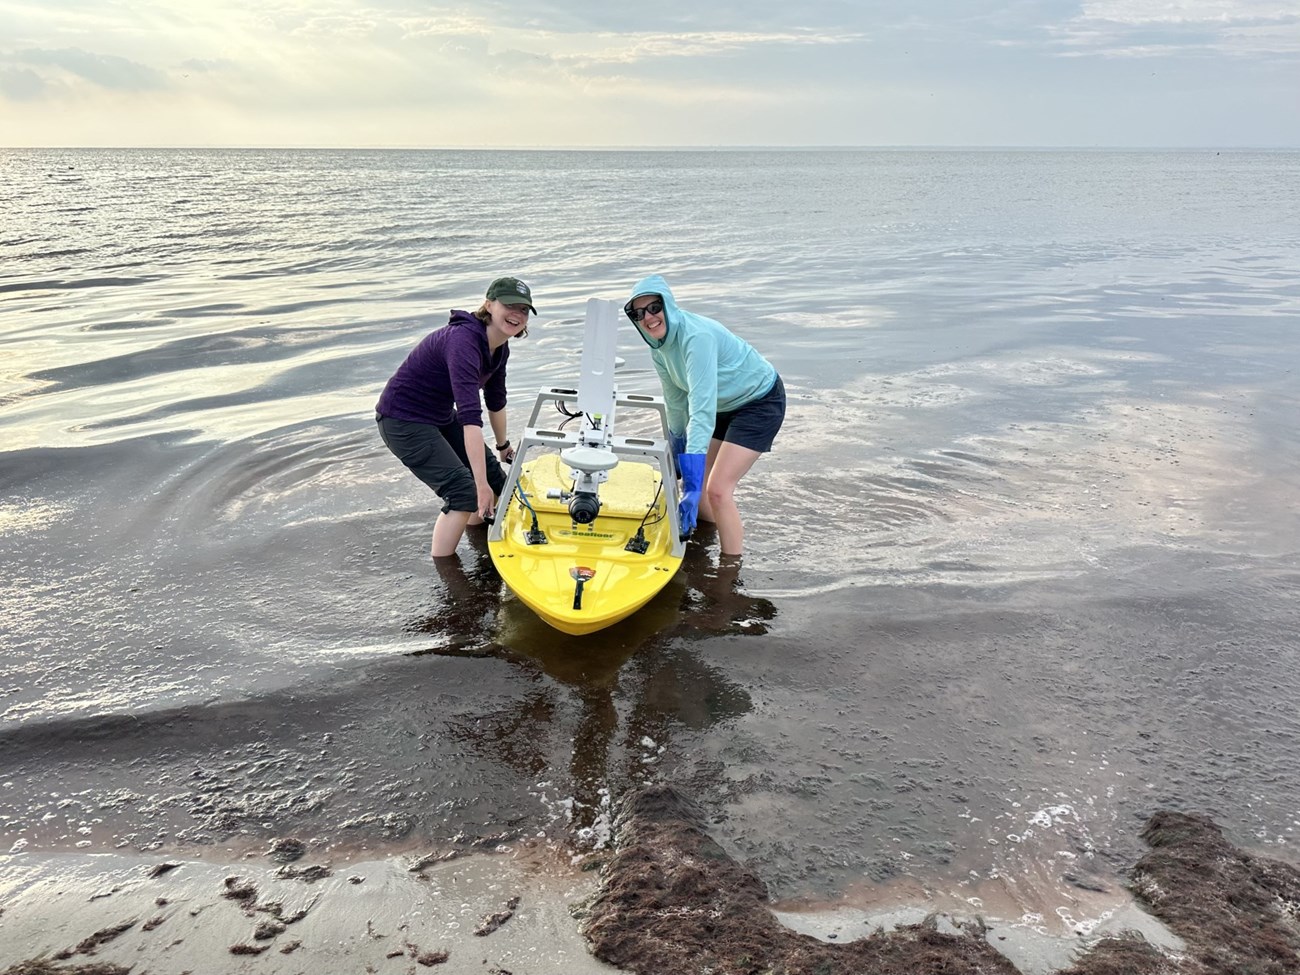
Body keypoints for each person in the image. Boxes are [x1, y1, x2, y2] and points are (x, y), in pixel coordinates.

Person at [376, 276, 536, 558]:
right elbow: (470, 417)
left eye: (524, 309)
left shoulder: (499, 347)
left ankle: (480, 544)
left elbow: (496, 400)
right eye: (509, 305)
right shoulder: (463, 342)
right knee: (464, 492)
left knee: (498, 482)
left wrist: (502, 448)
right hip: (402, 419)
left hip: (437, 415)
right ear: (489, 305)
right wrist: (480, 485)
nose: (517, 314)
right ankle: (447, 575)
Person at [624, 274, 784, 556]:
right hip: (722, 405)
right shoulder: (658, 347)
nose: (648, 318)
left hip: (758, 401)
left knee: (718, 490)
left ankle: (729, 577)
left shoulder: (696, 338)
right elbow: (675, 403)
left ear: (668, 306)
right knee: (697, 491)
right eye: (638, 313)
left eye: (654, 308)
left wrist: (694, 478)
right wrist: (676, 448)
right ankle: (705, 538)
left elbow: (701, 408)